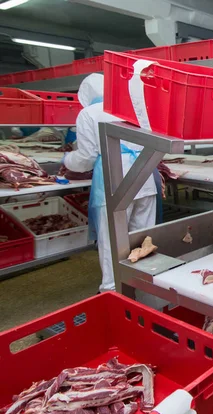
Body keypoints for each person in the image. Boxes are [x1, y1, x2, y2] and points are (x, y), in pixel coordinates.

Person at [63, 73, 158, 293]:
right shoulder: (134, 108)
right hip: (144, 176)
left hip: (114, 180)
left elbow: (85, 158)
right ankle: (144, 286)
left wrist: (67, 160)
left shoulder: (88, 114)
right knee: (144, 237)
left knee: (112, 240)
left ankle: (113, 290)